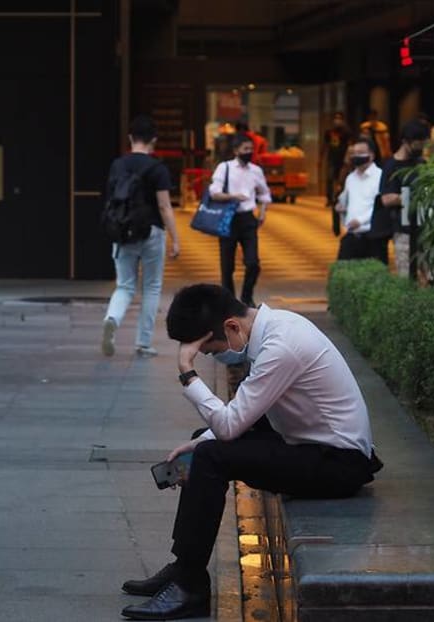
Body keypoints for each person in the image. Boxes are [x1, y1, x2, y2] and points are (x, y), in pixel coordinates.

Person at [119, 284, 381, 620]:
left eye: (211, 350)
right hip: (309, 446)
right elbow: (242, 418)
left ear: (231, 326)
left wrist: (187, 371)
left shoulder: (281, 346)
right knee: (205, 443)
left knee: (212, 455)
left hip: (338, 465)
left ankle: (190, 586)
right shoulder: (274, 328)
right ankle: (184, 568)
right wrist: (199, 443)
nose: (215, 356)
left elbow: (231, 426)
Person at [101, 115, 180, 358]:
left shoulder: (118, 165)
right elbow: (165, 206)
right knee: (152, 287)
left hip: (123, 232)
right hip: (152, 232)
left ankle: (112, 318)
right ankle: (143, 343)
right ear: (153, 140)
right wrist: (176, 238)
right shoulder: (157, 168)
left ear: (130, 138)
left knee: (124, 285)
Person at [211, 133, 271, 308]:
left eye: (251, 149)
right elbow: (214, 192)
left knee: (253, 263)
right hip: (228, 219)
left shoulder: (256, 170)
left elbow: (264, 193)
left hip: (247, 219)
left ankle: (246, 296)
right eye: (245, 149)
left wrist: (262, 212)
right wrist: (233, 196)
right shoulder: (225, 168)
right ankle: (229, 302)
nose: (249, 152)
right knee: (227, 266)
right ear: (236, 150)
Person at [377, 119, 430, 278]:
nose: (419, 149)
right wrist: (411, 196)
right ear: (405, 142)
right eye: (416, 145)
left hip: (424, 227)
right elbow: (386, 199)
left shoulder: (422, 163)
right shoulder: (391, 166)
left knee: (430, 274)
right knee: (406, 274)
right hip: (403, 229)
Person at [335, 137, 383, 261]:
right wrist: (342, 208)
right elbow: (346, 201)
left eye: (360, 153)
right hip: (351, 234)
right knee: (344, 272)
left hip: (372, 235)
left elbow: (379, 206)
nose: (356, 156)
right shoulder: (351, 178)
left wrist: (360, 221)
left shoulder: (380, 177)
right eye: (354, 153)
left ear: (371, 155)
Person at [321, 112, 352, 234]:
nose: (337, 121)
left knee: (341, 181)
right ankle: (330, 198)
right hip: (332, 159)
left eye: (339, 118)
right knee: (330, 178)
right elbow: (325, 145)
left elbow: (350, 144)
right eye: (336, 118)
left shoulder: (346, 132)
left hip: (343, 160)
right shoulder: (329, 132)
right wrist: (321, 158)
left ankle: (340, 196)